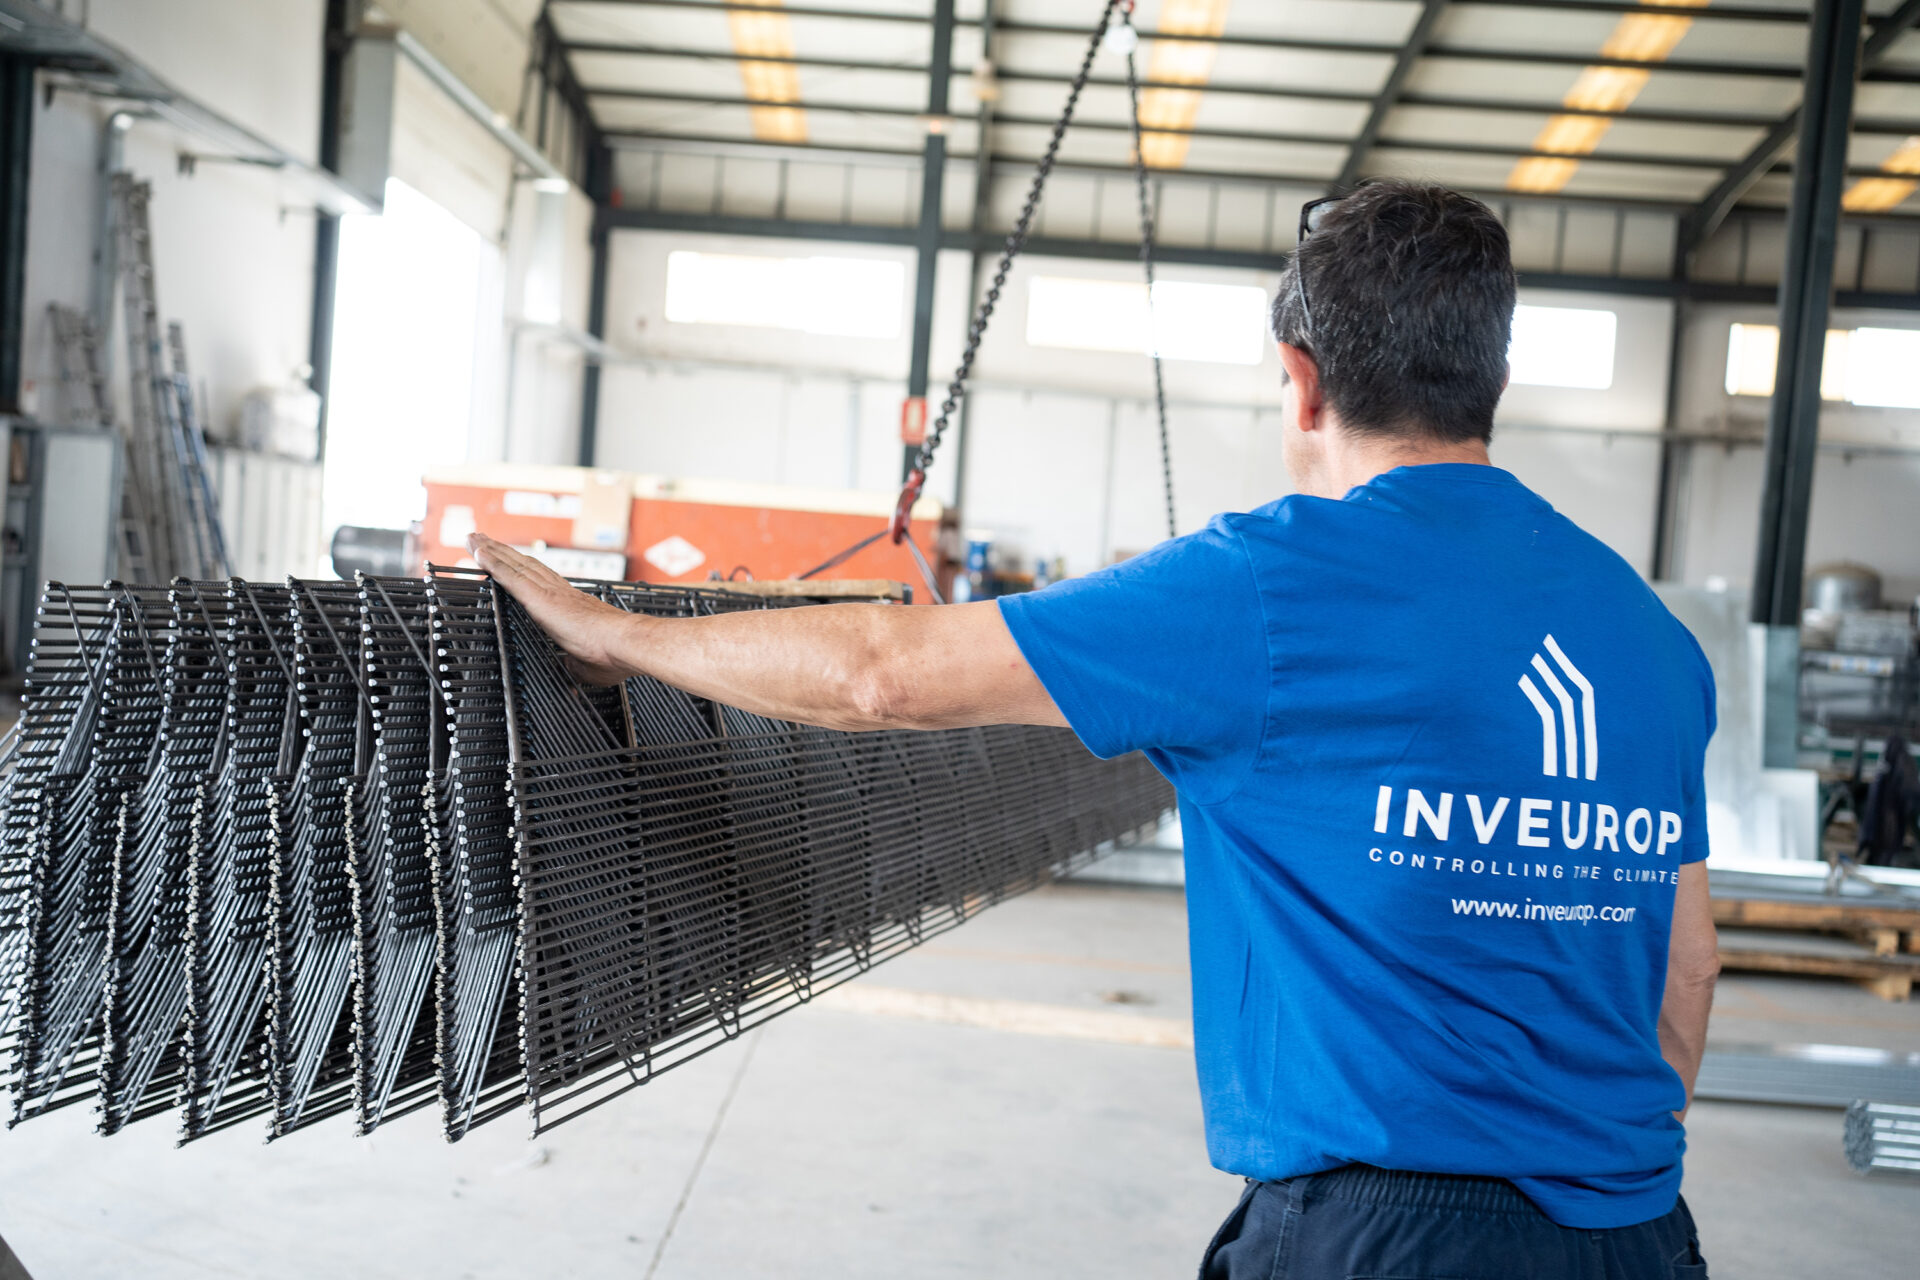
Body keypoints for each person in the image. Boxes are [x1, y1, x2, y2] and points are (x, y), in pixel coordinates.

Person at [469, 178, 1720, 1280]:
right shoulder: (1648, 636)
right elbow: (1686, 969)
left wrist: (616, 634)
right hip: (1639, 1224)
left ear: (1301, 377)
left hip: (1384, 1232)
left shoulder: (1271, 586)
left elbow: (883, 672)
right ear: (1493, 372)